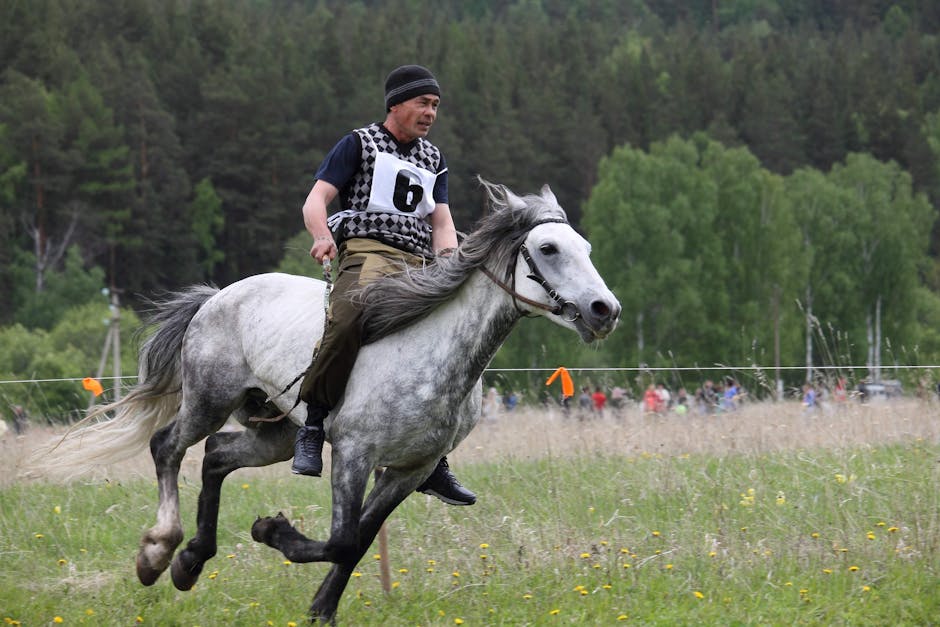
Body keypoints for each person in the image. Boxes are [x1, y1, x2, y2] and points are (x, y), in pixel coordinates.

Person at [291, 65, 476, 506]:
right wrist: (321, 236)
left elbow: (442, 222)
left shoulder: (434, 158)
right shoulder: (358, 143)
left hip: (419, 261)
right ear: (396, 104)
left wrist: (448, 264)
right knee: (350, 315)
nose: (430, 113)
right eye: (422, 103)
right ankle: (314, 423)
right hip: (370, 253)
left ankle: (434, 460)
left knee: (451, 331)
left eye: (435, 105)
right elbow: (315, 200)